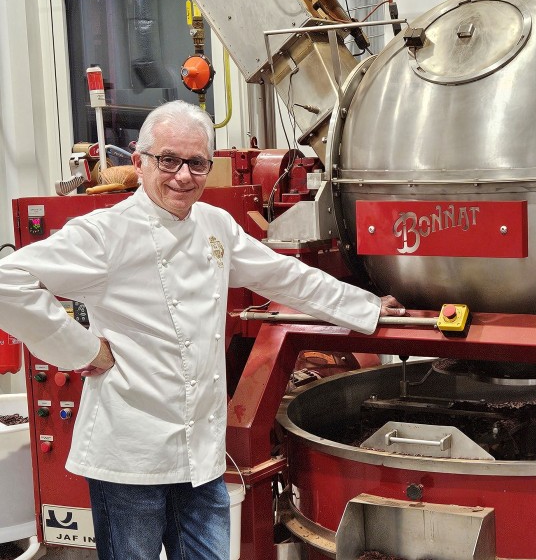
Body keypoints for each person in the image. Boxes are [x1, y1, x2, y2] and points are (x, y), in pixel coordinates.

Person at [0, 100, 405, 560]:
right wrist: (83, 350)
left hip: (201, 457)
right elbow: (7, 284)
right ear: (140, 161)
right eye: (168, 160)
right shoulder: (104, 233)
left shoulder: (215, 225)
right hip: (131, 456)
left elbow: (282, 276)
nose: (183, 176)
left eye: (197, 163)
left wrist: (365, 306)